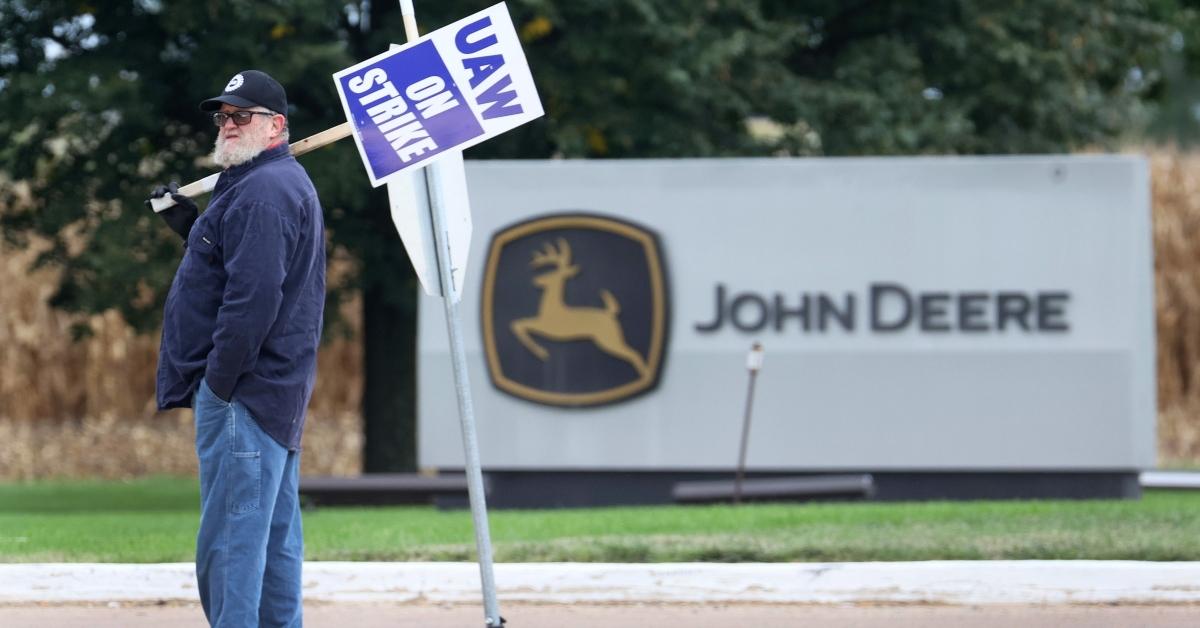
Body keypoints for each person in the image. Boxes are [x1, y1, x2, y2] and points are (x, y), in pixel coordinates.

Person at [148, 69, 325, 627]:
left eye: (240, 115)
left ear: (276, 125)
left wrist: (219, 383)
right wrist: (190, 227)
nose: (227, 124)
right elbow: (236, 264)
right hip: (272, 393)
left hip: (243, 395)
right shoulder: (261, 186)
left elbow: (251, 304)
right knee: (270, 546)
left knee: (230, 549)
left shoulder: (263, 194)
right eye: (223, 115)